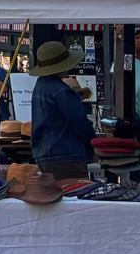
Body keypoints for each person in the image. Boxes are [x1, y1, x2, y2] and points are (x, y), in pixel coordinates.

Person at [27, 40, 94, 177]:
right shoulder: (61, 91)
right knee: (73, 195)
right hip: (66, 155)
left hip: (44, 153)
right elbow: (80, 123)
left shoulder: (40, 85)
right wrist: (94, 143)